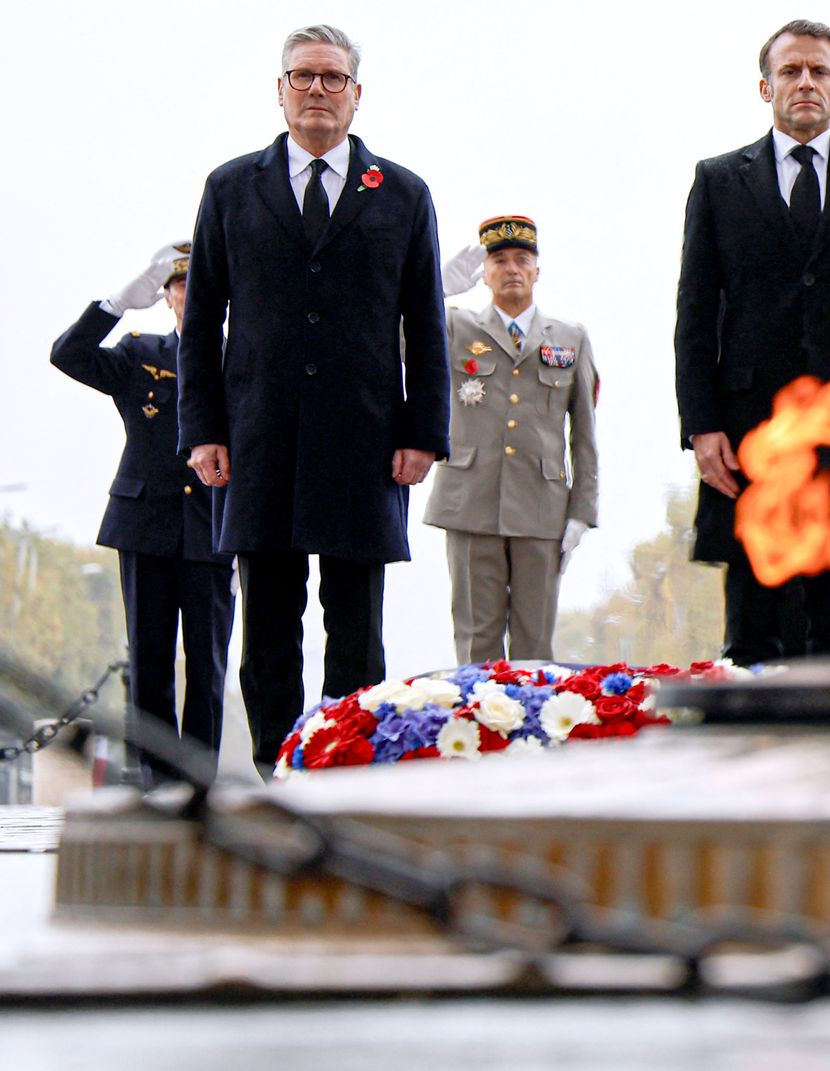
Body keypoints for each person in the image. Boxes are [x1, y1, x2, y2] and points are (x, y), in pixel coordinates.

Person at [177, 24, 449, 777]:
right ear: (280, 89)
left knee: (356, 621)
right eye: (303, 77)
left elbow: (424, 321)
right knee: (267, 620)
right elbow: (201, 322)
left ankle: (348, 766)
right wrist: (202, 430)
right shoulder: (231, 188)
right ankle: (275, 768)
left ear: (357, 95)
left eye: (333, 79)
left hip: (364, 438)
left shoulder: (402, 193)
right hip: (257, 435)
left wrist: (424, 430)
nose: (318, 91)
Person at [673, 19, 830, 666]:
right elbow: (695, 315)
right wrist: (702, 427)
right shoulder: (719, 181)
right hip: (750, 438)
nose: (805, 82)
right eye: (791, 71)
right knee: (756, 633)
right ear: (766, 87)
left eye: (819, 71)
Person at [50, 242, 234, 783]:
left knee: (207, 665)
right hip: (145, 521)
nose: (189, 296)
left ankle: (199, 782)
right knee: (149, 661)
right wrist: (116, 302)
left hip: (214, 525)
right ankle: (151, 779)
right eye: (179, 286)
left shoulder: (242, 360)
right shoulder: (141, 352)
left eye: (200, 287)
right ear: (167, 297)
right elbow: (68, 354)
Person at [429, 217, 598, 662]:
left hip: (541, 507)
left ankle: (532, 735)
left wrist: (581, 512)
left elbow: (584, 434)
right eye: (498, 260)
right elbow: (391, 341)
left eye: (522, 260)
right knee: (475, 644)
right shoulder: (453, 327)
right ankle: (477, 732)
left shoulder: (569, 337)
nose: (511, 269)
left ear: (537, 270)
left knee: (534, 645)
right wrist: (431, 290)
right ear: (483, 272)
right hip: (470, 501)